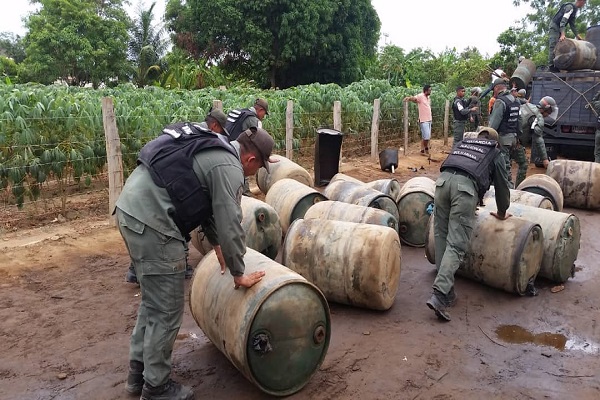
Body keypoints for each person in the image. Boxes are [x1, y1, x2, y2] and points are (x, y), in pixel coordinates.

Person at [115, 109, 272, 399]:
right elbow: (230, 222)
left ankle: (138, 375)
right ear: (251, 160)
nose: (256, 173)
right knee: (166, 309)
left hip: (130, 210)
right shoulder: (230, 168)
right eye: (260, 167)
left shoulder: (213, 145)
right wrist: (239, 272)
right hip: (154, 223)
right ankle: (157, 387)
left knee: (152, 302)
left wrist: (218, 247)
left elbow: (206, 207)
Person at [427, 127, 511, 322]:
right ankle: (440, 293)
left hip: (441, 184)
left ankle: (447, 289)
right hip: (463, 190)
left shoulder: (464, 144)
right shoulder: (495, 152)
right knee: (456, 244)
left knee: (441, 237)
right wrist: (501, 212)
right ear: (495, 141)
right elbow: (502, 187)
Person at [488, 78, 527, 188]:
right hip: (513, 139)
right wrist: (518, 137)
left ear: (497, 88)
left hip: (503, 140)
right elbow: (519, 121)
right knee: (509, 163)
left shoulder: (500, 102)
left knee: (504, 168)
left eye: (494, 90)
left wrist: (488, 139)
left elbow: (493, 125)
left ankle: (509, 191)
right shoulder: (516, 101)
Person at [226, 98, 269, 196]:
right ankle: (245, 195)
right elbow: (259, 141)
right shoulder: (253, 120)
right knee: (243, 169)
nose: (263, 116)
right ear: (260, 110)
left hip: (224, 145)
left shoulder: (240, 113)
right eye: (264, 113)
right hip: (236, 151)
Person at [519, 96, 558, 169]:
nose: (549, 114)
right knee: (523, 165)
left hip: (506, 136)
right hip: (515, 142)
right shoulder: (538, 118)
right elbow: (538, 139)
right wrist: (545, 159)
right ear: (546, 109)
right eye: (549, 112)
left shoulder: (528, 106)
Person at [548, 0, 586, 72]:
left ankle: (558, 64)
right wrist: (563, 34)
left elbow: (572, 24)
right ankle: (551, 66)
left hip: (559, 27)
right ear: (580, 1)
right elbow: (563, 22)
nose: (584, 5)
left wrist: (577, 35)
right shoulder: (569, 7)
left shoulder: (574, 10)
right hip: (554, 26)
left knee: (560, 45)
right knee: (553, 44)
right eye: (584, 3)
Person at [403, 84, 433, 155]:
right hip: (423, 120)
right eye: (429, 90)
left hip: (429, 119)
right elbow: (415, 99)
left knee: (425, 136)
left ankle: (422, 150)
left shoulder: (428, 98)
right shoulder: (421, 96)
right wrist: (409, 98)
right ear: (426, 91)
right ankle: (426, 148)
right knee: (426, 136)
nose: (430, 91)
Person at [591, 90, 600, 162]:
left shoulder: (599, 104)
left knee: (597, 152)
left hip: (599, 132)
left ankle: (597, 166)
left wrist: (599, 93)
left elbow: (593, 101)